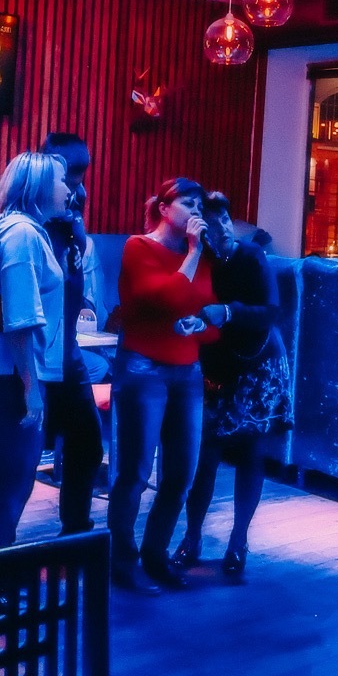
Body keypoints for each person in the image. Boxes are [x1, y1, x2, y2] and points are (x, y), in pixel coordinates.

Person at [107, 178, 219, 593]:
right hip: (143, 368)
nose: (196, 211)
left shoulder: (201, 255)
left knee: (181, 473)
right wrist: (192, 253)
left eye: (200, 205)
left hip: (187, 371)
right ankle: (122, 561)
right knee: (135, 472)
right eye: (188, 202)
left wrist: (201, 326)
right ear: (164, 207)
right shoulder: (139, 247)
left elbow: (208, 315)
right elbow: (164, 299)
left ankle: (156, 555)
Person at [0, 151, 69, 555]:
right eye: (60, 180)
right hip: (14, 374)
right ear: (38, 186)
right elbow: (20, 319)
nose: (68, 188)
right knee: (12, 484)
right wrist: (31, 387)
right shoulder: (23, 234)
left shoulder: (8, 228)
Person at [176, 192, 290, 580]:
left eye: (225, 219)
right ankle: (191, 537)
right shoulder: (199, 259)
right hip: (218, 365)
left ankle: (238, 541)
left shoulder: (252, 256)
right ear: (200, 229)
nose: (223, 228)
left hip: (258, 365)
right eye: (213, 222)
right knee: (204, 456)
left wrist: (227, 312)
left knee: (250, 454)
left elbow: (271, 312)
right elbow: (187, 300)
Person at [39, 132, 106, 536]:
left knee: (88, 445)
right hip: (34, 354)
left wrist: (77, 238)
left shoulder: (72, 213)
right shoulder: (28, 220)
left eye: (81, 177)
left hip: (67, 352)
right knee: (16, 467)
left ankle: (75, 533)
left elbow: (78, 284)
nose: (78, 189)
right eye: (69, 177)